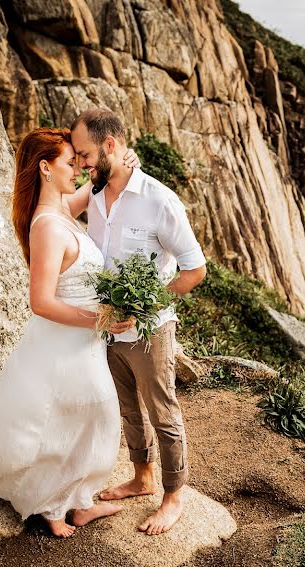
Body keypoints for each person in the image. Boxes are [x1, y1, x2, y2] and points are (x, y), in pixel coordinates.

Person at [0, 128, 140, 538]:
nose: (77, 168)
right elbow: (39, 301)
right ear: (45, 167)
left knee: (90, 417)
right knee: (90, 415)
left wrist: (121, 164)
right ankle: (54, 506)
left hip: (83, 343)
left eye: (78, 162)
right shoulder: (47, 226)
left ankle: (78, 503)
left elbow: (93, 186)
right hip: (65, 343)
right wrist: (99, 320)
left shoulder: (61, 210)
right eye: (69, 163)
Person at [70, 108, 207, 535]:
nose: (79, 164)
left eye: (85, 154)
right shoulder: (91, 192)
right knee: (127, 408)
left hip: (150, 330)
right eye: (75, 156)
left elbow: (194, 270)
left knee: (163, 412)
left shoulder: (159, 199)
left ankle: (173, 497)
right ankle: (142, 477)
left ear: (111, 145)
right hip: (106, 329)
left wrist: (146, 301)